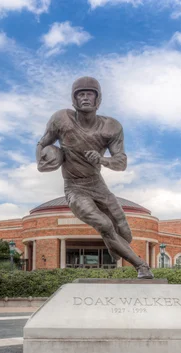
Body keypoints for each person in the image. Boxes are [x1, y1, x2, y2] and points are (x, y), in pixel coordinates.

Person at [36, 76, 154, 279]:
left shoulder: (111, 127)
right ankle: (142, 266)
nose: (84, 98)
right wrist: (43, 162)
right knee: (105, 225)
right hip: (75, 188)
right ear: (74, 99)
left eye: (89, 94)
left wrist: (102, 160)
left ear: (98, 99)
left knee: (125, 233)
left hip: (98, 186)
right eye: (80, 94)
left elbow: (121, 162)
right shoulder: (61, 119)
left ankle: (113, 245)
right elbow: (41, 144)